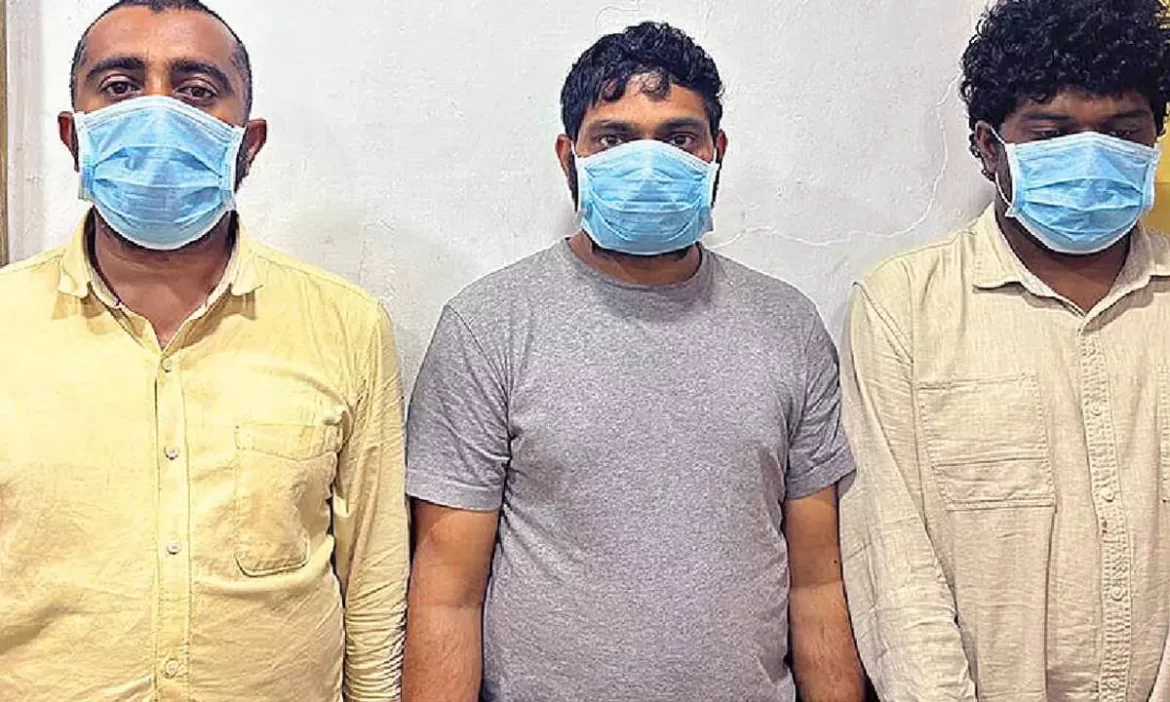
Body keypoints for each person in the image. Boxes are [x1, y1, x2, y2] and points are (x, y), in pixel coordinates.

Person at [402, 21, 864, 702]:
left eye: (678, 138)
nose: (648, 166)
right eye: (614, 139)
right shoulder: (489, 326)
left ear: (716, 153)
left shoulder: (787, 326)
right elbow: (447, 593)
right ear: (569, 158)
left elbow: (817, 583)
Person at [0, 2, 408, 700]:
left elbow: (374, 575)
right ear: (74, 135)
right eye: (121, 87)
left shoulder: (347, 326)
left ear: (248, 143)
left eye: (195, 90)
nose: (158, 112)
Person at [839, 0, 1170, 699]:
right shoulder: (904, 308)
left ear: (1155, 138)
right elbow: (894, 564)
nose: (1090, 157)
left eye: (1121, 132)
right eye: (1052, 134)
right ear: (990, 149)